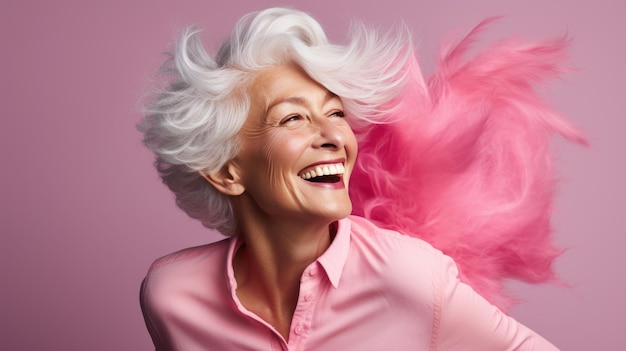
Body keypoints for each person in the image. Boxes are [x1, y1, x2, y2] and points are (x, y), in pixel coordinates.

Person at [139, 7, 569, 350]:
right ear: (226, 171)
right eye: (293, 118)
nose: (333, 137)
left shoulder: (409, 276)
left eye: (336, 113)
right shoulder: (173, 296)